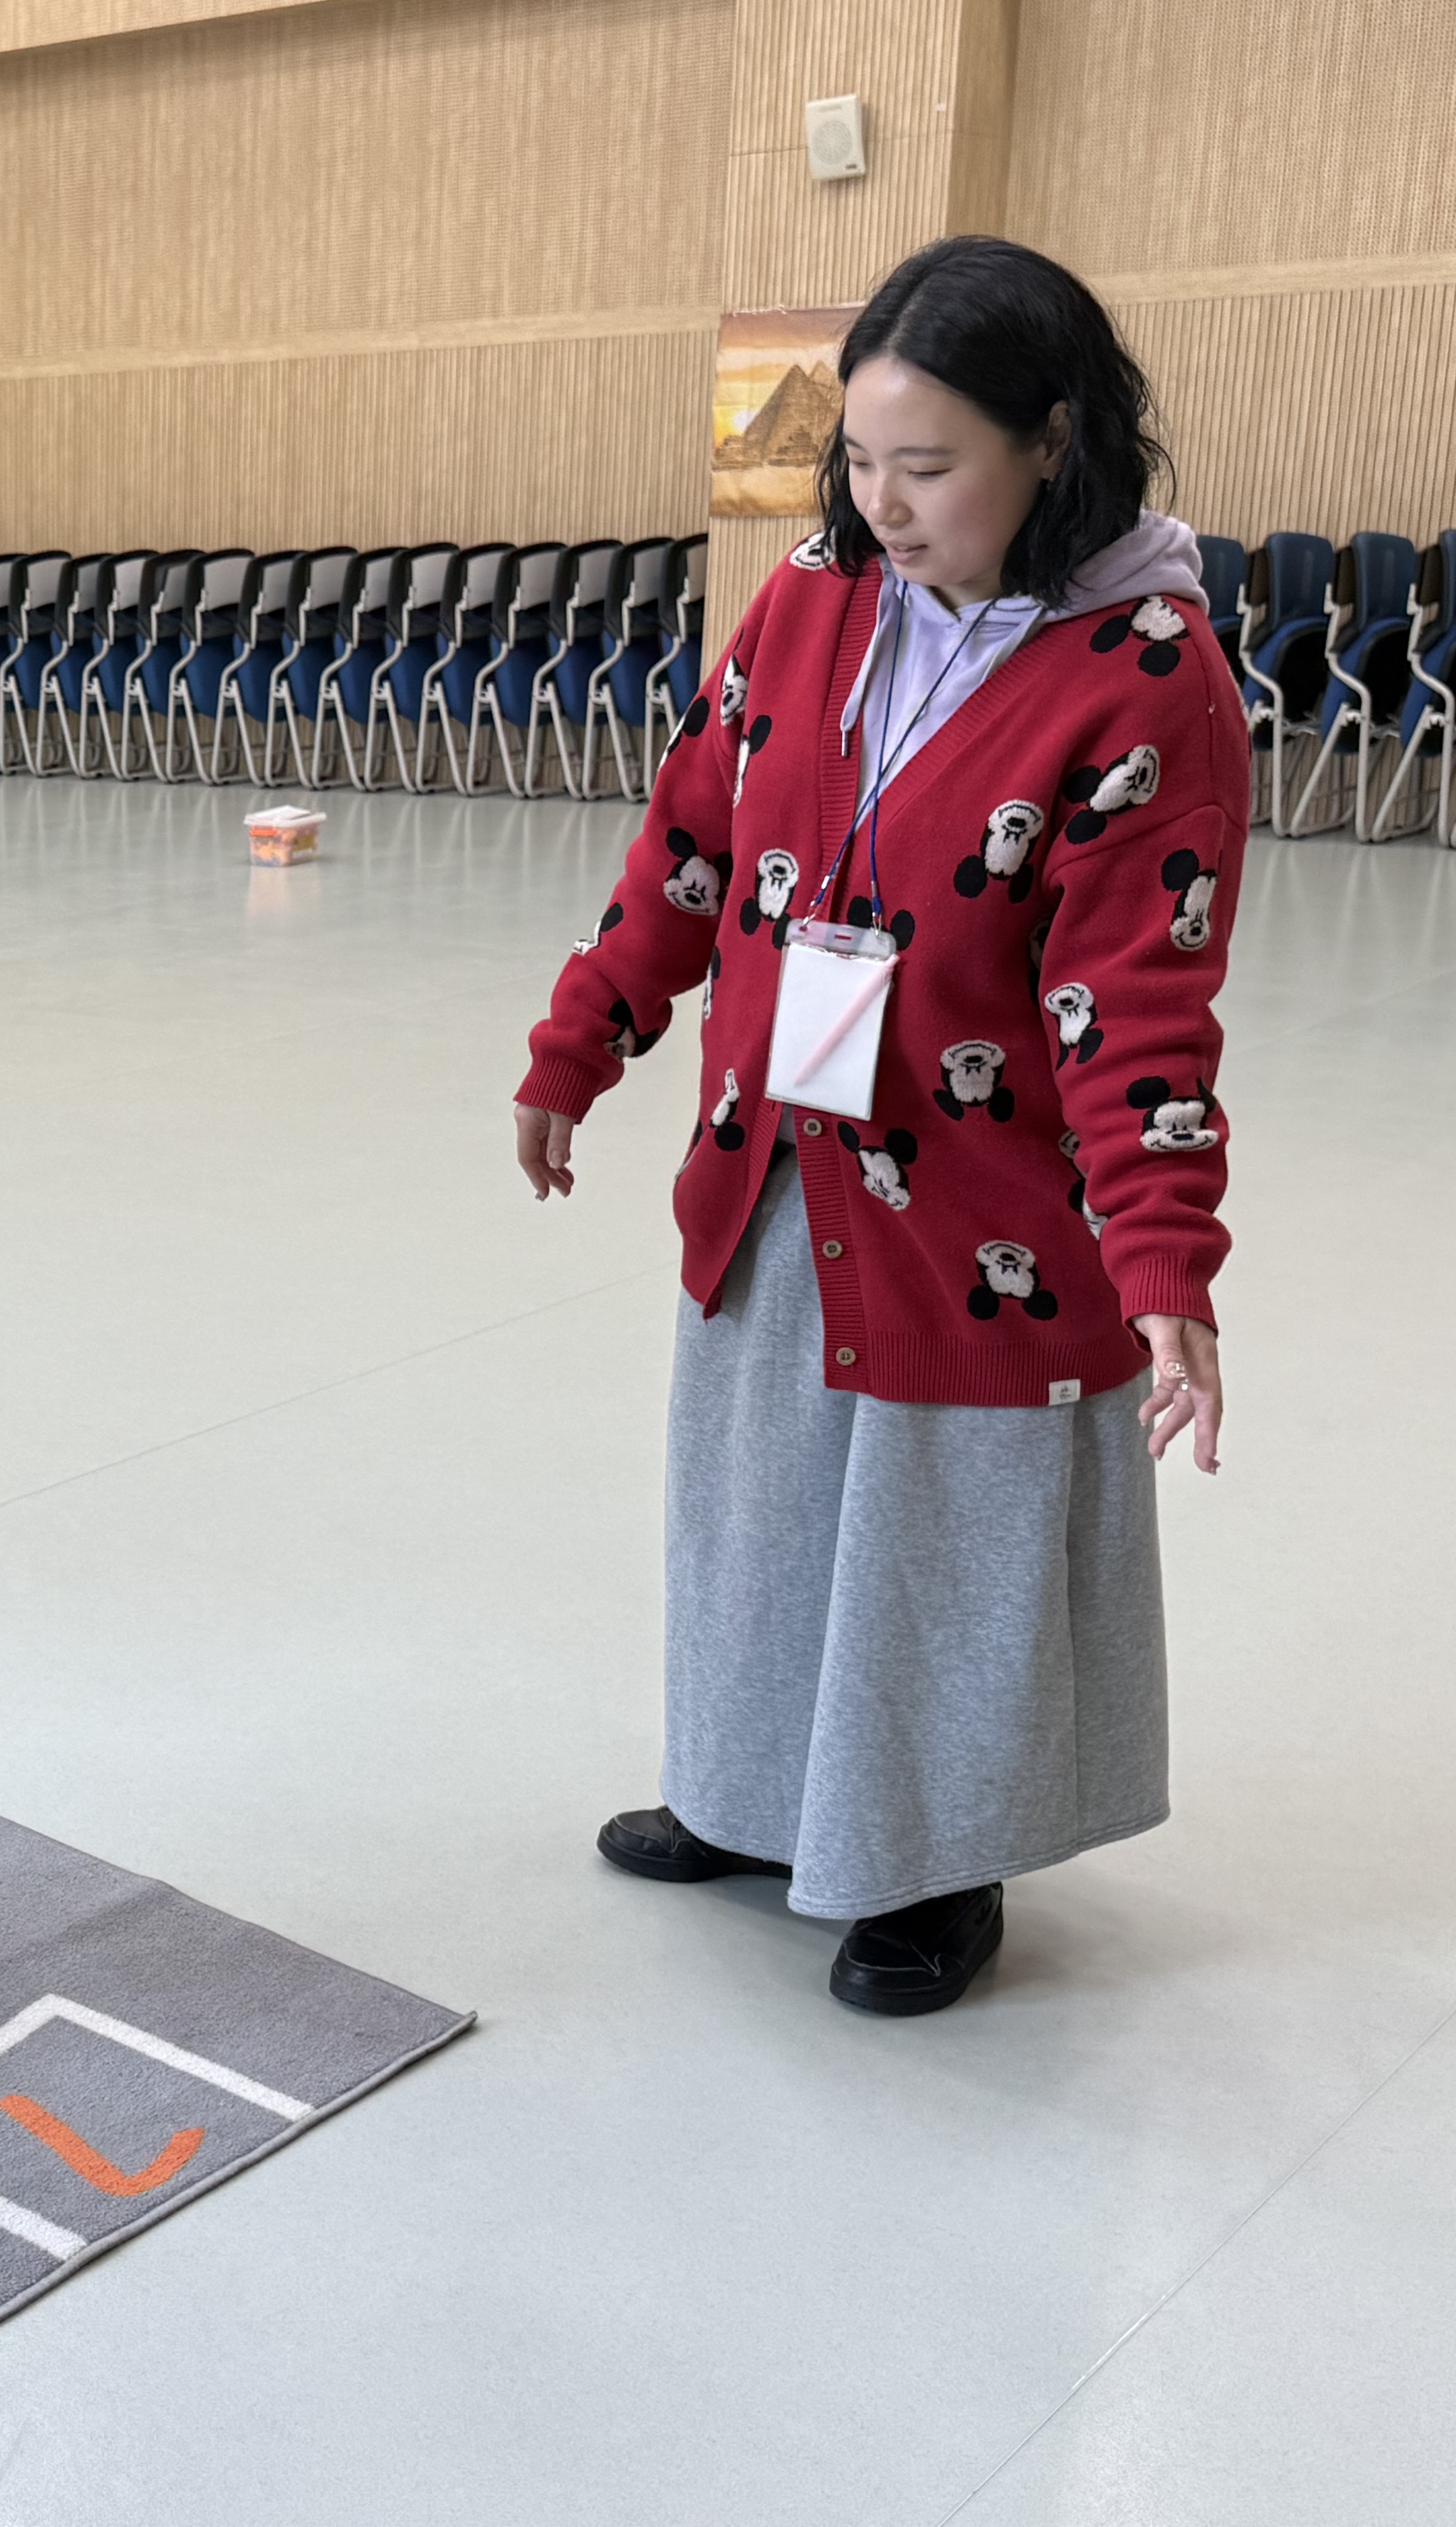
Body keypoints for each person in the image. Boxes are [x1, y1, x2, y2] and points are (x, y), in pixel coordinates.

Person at [513, 236, 1241, 2017]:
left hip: (978, 1207)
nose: (880, 504)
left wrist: (1163, 1261)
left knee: (933, 1542)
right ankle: (751, 1797)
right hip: (777, 1159)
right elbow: (692, 833)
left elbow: (1135, 999)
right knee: (760, 1508)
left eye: (928, 468)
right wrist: (580, 1037)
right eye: (858, 460)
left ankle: (929, 1866)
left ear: (1049, 446)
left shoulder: (1144, 680)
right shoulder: (809, 600)